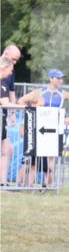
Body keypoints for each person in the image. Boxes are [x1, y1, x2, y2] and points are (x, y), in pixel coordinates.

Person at [17, 69, 69, 187]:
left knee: (51, 157)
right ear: (50, 79)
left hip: (53, 129)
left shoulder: (63, 93)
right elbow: (21, 101)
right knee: (32, 157)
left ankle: (48, 183)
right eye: (58, 78)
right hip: (38, 128)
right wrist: (33, 110)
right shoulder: (39, 92)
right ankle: (23, 183)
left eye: (61, 78)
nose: (61, 81)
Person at [0, 56, 16, 186]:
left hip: (2, 121)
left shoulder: (4, 83)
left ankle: (3, 181)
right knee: (7, 150)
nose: (11, 73)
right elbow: (5, 103)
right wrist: (25, 107)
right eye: (10, 70)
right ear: (4, 68)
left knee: (8, 150)